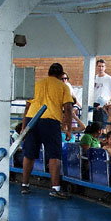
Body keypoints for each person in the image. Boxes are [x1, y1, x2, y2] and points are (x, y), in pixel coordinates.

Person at [21, 62, 72, 199]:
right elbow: (68, 108)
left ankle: (24, 185)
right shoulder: (63, 86)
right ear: (61, 75)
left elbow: (27, 107)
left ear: (48, 72)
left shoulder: (37, 84)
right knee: (54, 155)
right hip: (51, 120)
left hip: (32, 119)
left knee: (29, 154)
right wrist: (68, 129)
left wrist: (23, 128)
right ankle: (55, 188)